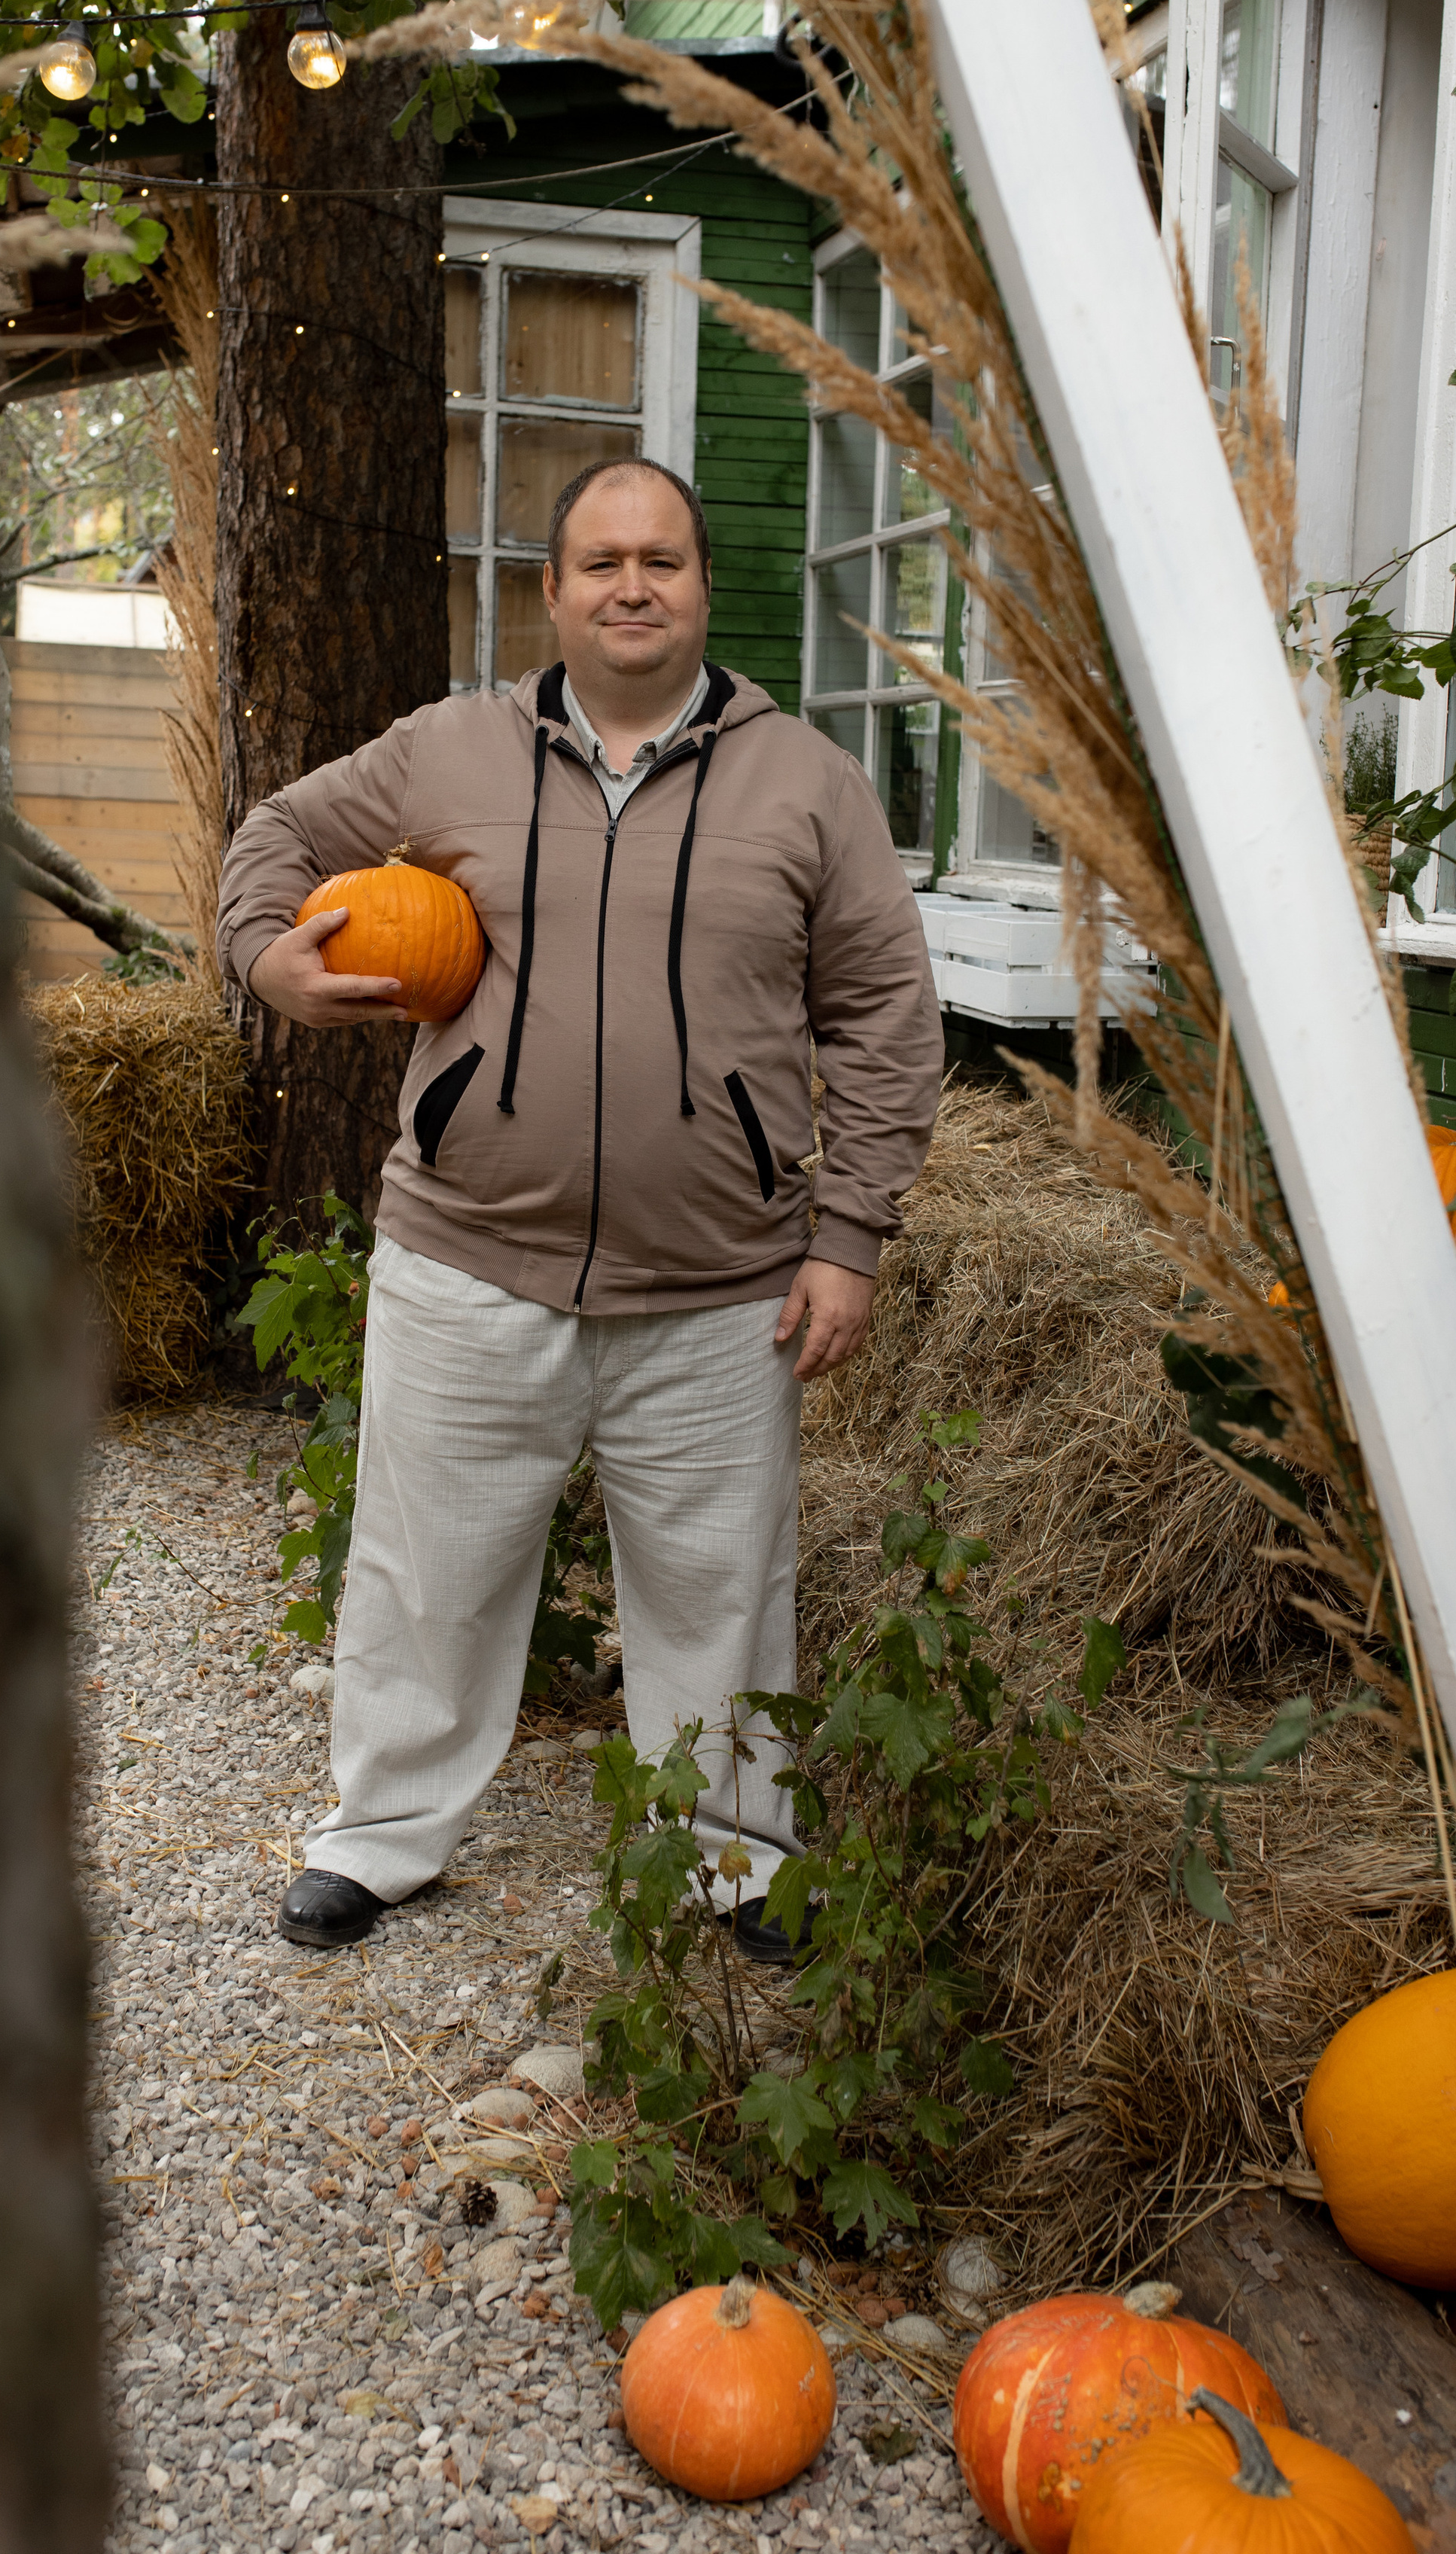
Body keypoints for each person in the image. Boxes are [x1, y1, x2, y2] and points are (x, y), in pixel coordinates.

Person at [217, 457, 942, 1959]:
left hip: (718, 1289)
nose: (631, 584)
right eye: (600, 561)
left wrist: (847, 1233)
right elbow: (273, 839)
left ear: (699, 587)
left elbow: (881, 1012)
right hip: (467, 1261)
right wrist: (269, 957)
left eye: (660, 560)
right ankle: (381, 1839)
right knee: (430, 1570)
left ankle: (735, 1861)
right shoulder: (448, 754)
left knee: (719, 1595)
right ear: (548, 593)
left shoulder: (804, 780)